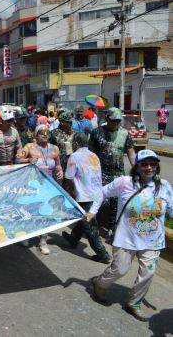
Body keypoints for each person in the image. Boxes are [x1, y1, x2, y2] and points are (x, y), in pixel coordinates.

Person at [88, 150, 173, 321]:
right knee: (120, 269)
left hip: (153, 240)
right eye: (144, 164)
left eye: (153, 163)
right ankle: (100, 282)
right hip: (126, 238)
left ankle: (134, 303)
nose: (149, 167)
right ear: (137, 166)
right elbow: (101, 192)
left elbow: (171, 208)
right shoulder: (124, 183)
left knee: (148, 273)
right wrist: (92, 212)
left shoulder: (164, 186)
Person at [62, 133, 111, 264]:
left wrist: (70, 192)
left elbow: (69, 178)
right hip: (96, 194)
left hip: (84, 195)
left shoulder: (74, 156)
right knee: (83, 219)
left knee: (89, 226)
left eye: (72, 143)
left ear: (76, 143)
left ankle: (103, 254)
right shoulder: (94, 155)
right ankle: (73, 238)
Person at [17, 124, 63, 255]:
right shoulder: (29, 147)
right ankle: (26, 235)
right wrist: (28, 159)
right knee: (30, 210)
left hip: (48, 185)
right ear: (36, 135)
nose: (45, 135)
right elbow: (17, 158)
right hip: (31, 185)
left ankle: (43, 241)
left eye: (47, 133)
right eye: (41, 133)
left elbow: (58, 165)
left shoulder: (55, 148)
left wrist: (60, 171)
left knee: (46, 212)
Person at [89, 107, 135, 238]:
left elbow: (131, 153)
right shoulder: (97, 132)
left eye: (118, 121)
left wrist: (138, 169)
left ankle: (113, 227)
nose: (115, 123)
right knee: (98, 200)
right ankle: (94, 226)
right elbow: (90, 154)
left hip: (118, 173)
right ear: (107, 119)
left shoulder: (125, 134)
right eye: (113, 120)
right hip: (100, 173)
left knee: (117, 201)